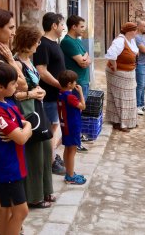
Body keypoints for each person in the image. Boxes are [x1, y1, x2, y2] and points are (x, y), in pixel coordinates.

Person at [13, 25, 55, 209]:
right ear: (27, 42)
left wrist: (39, 92)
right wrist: (31, 94)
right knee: (34, 154)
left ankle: (45, 190)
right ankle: (34, 196)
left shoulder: (28, 61)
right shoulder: (16, 63)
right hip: (27, 110)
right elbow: (12, 94)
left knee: (45, 149)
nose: (38, 44)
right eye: (36, 41)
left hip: (37, 107)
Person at [0, 9, 28, 228]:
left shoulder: (4, 53)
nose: (14, 33)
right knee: (7, 212)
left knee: (9, 211)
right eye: (11, 28)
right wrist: (8, 59)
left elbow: (21, 83)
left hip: (10, 136)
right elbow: (22, 83)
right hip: (2, 156)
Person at [0, 62, 32, 235]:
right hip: (6, 168)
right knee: (21, 211)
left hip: (14, 165)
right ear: (0, 87)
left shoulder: (8, 104)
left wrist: (26, 126)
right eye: (13, 84)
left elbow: (22, 125)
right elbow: (22, 137)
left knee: (7, 210)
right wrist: (26, 129)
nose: (17, 86)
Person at [33, 12, 66, 175]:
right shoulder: (44, 44)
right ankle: (51, 161)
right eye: (61, 24)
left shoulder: (54, 43)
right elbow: (42, 71)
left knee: (55, 127)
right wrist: (60, 85)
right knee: (50, 128)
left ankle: (52, 156)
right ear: (54, 25)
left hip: (56, 94)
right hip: (49, 95)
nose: (63, 27)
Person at [60, 15, 92, 152]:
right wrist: (85, 59)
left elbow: (88, 57)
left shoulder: (77, 41)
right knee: (75, 112)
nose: (84, 29)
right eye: (82, 26)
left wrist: (85, 58)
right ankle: (75, 141)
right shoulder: (67, 42)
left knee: (79, 112)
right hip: (75, 83)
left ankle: (78, 136)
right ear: (74, 27)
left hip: (83, 80)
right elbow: (83, 62)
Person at [105, 22, 139, 132]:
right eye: (135, 30)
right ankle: (120, 123)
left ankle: (128, 121)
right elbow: (111, 54)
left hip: (129, 73)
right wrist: (114, 66)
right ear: (129, 31)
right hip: (118, 74)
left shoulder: (131, 41)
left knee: (129, 98)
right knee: (121, 98)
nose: (136, 32)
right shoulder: (120, 41)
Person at [57, 70, 87, 185]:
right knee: (72, 150)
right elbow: (83, 106)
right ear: (69, 84)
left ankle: (69, 172)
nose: (76, 84)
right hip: (73, 126)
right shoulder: (70, 97)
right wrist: (80, 93)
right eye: (74, 82)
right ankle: (70, 176)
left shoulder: (60, 93)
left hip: (65, 126)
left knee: (67, 149)